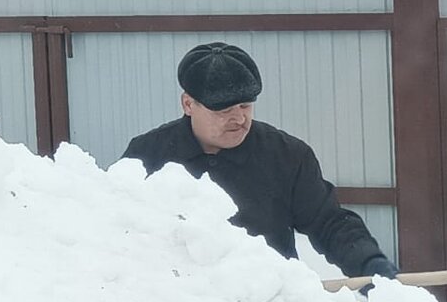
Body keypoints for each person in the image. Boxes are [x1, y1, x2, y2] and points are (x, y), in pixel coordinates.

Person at [121, 42, 398, 282]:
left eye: (245, 106)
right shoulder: (147, 155)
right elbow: (115, 229)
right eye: (224, 109)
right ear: (188, 104)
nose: (239, 118)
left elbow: (329, 222)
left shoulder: (287, 155)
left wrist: (368, 263)